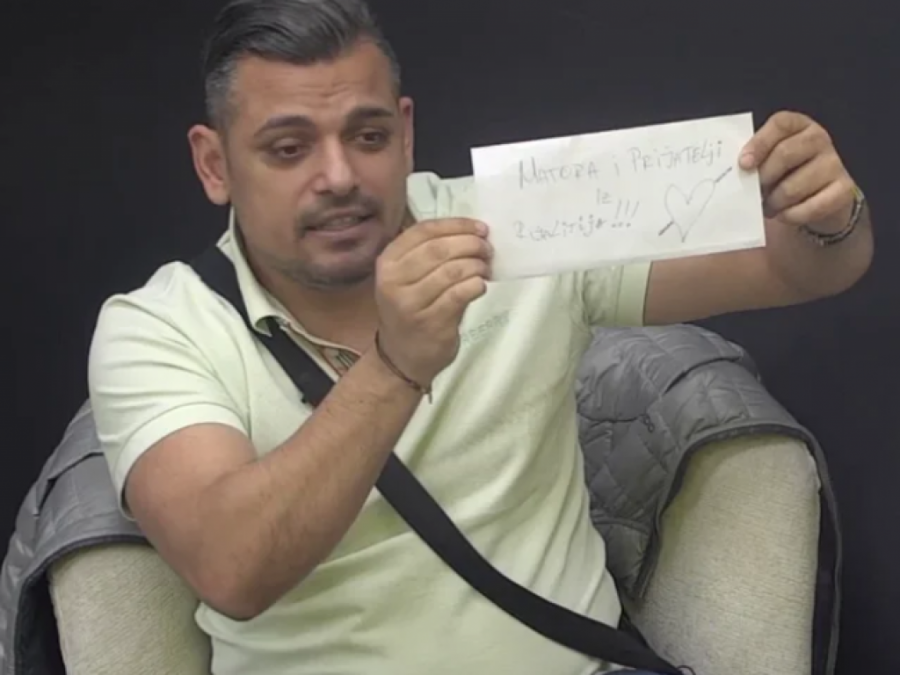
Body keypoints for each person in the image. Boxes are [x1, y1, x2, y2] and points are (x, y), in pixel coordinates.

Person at [86, 0, 873, 673]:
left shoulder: (514, 225)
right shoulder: (157, 327)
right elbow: (233, 568)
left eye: (367, 136)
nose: (339, 177)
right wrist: (395, 366)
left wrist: (829, 216)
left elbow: (799, 269)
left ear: (404, 132)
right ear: (215, 164)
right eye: (289, 149)